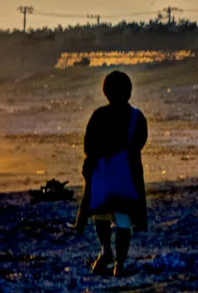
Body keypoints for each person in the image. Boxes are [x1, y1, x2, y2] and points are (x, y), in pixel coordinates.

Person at [75, 71, 148, 278]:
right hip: (127, 174)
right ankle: (120, 263)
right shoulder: (137, 117)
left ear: (105, 92)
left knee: (101, 214)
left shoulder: (99, 116)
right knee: (123, 220)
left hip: (102, 173)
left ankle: (106, 250)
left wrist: (99, 157)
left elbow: (89, 146)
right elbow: (139, 143)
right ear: (130, 92)